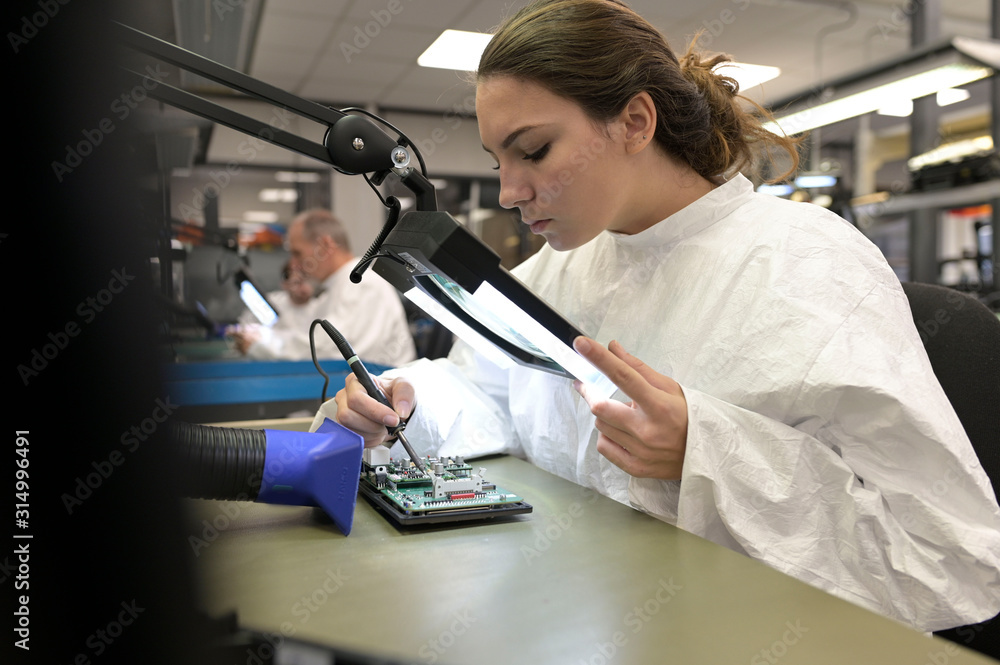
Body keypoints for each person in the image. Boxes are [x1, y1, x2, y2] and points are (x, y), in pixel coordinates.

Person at [320, 0, 1000, 633]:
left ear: (636, 123)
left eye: (534, 151)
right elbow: (491, 389)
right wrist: (407, 407)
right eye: (498, 160)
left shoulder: (804, 265)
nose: (509, 191)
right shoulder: (566, 264)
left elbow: (951, 554)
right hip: (593, 618)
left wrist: (704, 454)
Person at [234, 209, 416, 367]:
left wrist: (262, 344)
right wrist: (263, 336)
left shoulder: (363, 284)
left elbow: (334, 353)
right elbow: (309, 337)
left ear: (325, 246)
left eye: (297, 253)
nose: (293, 264)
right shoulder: (336, 288)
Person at [230, 262, 317, 356]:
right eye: (298, 282)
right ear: (285, 284)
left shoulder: (321, 308)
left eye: (309, 281)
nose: (305, 287)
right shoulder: (268, 304)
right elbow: (244, 328)